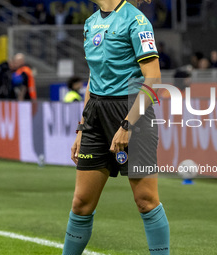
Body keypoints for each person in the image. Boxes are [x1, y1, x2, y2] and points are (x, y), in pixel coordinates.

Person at [62, 0, 169, 255]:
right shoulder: (90, 23)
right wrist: (82, 127)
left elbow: (153, 78)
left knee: (146, 201)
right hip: (96, 114)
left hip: (131, 111)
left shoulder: (136, 21)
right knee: (81, 203)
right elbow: (93, 76)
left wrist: (127, 125)